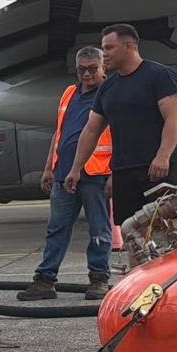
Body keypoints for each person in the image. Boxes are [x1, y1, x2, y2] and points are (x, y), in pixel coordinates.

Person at [65, 24, 177, 228]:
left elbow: (174, 119)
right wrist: (76, 169)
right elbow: (91, 130)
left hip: (159, 169)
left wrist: (163, 156)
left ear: (129, 46)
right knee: (132, 232)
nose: (104, 54)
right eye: (103, 48)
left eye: (109, 48)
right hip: (124, 172)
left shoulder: (160, 75)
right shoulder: (108, 87)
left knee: (169, 227)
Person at [18, 48, 113, 301]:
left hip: (95, 174)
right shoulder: (70, 93)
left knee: (99, 230)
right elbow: (59, 133)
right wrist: (49, 168)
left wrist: (114, 173)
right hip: (63, 175)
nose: (87, 74)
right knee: (56, 229)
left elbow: (122, 134)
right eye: (81, 69)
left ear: (103, 67)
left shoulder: (110, 93)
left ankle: (99, 278)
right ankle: (45, 281)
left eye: (92, 69)